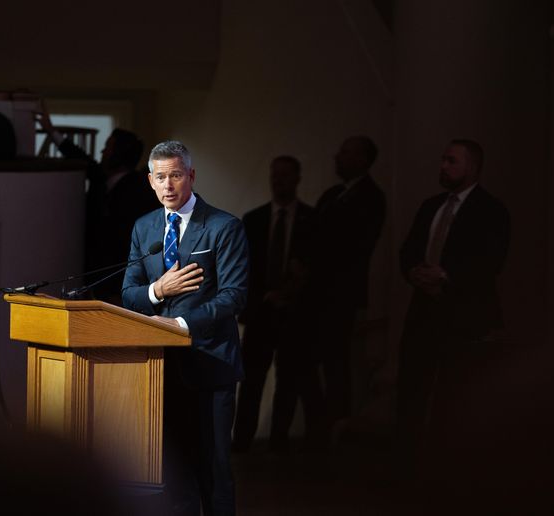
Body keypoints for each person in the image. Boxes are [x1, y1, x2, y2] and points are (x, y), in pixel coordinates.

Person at [122, 140, 248, 516]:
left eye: (176, 175)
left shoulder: (224, 227)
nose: (168, 186)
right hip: (158, 370)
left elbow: (234, 296)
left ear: (190, 175)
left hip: (210, 365)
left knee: (213, 469)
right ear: (150, 181)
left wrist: (178, 323)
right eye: (160, 178)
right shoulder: (144, 227)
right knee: (171, 471)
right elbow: (129, 294)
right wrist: (157, 290)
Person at [397, 139, 510, 467]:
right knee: (411, 391)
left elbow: (492, 260)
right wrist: (414, 272)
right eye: (442, 160)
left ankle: (447, 469)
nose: (442, 166)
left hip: (463, 318)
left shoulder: (492, 210)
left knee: (455, 395)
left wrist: (445, 275)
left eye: (451, 161)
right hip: (423, 314)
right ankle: (405, 467)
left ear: (472, 166)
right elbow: (408, 249)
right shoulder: (430, 205)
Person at [232, 155, 318, 453]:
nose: (278, 181)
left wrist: (292, 292)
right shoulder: (253, 219)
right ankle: (242, 440)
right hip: (260, 312)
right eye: (274, 175)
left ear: (297, 178)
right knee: (252, 380)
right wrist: (256, 300)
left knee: (288, 380)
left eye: (284, 175)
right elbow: (241, 267)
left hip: (295, 315)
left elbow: (317, 269)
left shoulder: (312, 220)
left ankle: (278, 441)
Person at [34, 104, 159, 304]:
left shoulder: (139, 190)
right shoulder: (101, 180)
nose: (103, 150)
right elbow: (81, 158)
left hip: (118, 278)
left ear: (119, 154)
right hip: (95, 275)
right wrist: (50, 130)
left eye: (108, 147)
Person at [307, 136, 386, 445]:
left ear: (363, 159)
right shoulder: (334, 195)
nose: (337, 157)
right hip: (321, 292)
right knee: (317, 360)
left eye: (346, 153)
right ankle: (324, 423)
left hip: (340, 294)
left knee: (337, 362)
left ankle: (335, 425)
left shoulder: (370, 198)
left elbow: (354, 246)